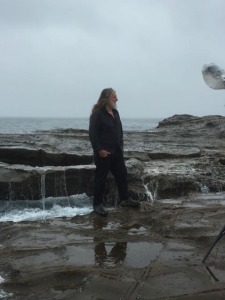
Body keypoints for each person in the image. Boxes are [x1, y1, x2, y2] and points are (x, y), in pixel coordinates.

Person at [89, 88, 140, 216]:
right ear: (106, 98)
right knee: (101, 179)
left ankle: (124, 199)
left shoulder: (115, 113)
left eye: (116, 97)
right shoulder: (97, 114)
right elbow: (92, 134)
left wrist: (120, 147)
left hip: (117, 152)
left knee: (122, 175)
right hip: (104, 154)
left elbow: (119, 132)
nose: (117, 99)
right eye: (114, 97)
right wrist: (99, 150)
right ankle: (97, 205)